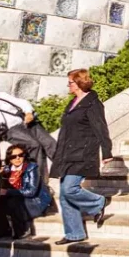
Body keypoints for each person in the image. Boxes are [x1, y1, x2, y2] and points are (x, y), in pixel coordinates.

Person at [51, 68, 113, 245]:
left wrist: (107, 151)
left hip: (83, 153)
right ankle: (74, 234)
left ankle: (98, 202)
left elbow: (101, 128)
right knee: (64, 194)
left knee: (70, 189)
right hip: (68, 153)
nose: (68, 85)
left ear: (79, 83)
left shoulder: (92, 103)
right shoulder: (73, 102)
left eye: (70, 82)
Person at [0, 83, 56, 169]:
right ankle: (38, 178)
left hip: (26, 122)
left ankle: (65, 172)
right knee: (34, 145)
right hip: (11, 130)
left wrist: (28, 112)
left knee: (50, 142)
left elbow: (22, 102)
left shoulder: (1, 96)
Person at [0, 144, 50, 240]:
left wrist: (7, 192)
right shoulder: (8, 169)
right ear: (9, 159)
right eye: (14, 156)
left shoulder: (32, 168)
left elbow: (31, 192)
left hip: (35, 201)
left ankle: (23, 230)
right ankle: (3, 231)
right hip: (17, 197)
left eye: (20, 155)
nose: (18, 158)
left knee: (14, 202)